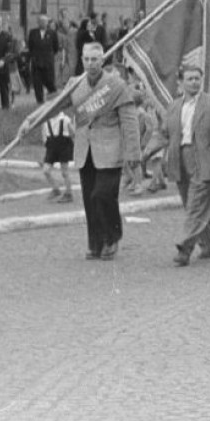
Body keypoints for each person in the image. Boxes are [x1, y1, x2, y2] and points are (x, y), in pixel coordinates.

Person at [147, 65, 210, 266]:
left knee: (195, 206)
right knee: (192, 205)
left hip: (204, 160)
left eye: (197, 78)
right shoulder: (174, 106)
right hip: (179, 160)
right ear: (180, 82)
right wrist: (144, 153)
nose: (194, 82)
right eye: (190, 79)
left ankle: (184, 248)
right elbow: (163, 134)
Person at [69, 42, 141, 260]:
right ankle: (95, 243)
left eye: (95, 59)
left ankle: (112, 237)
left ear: (103, 60)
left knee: (102, 195)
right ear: (81, 60)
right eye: (87, 59)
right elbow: (52, 107)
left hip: (110, 150)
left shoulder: (116, 86)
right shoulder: (75, 85)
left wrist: (133, 154)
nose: (90, 64)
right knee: (90, 200)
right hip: (85, 151)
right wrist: (30, 122)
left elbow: (129, 121)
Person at [41, 109, 75, 203]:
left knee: (64, 172)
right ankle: (56, 189)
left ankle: (68, 194)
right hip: (51, 147)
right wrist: (45, 141)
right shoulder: (46, 120)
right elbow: (44, 132)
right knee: (46, 170)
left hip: (63, 146)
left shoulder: (65, 119)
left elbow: (72, 133)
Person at [27, 13, 59, 104]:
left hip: (48, 62)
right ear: (38, 22)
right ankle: (40, 101)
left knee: (50, 82)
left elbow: (55, 48)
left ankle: (54, 100)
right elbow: (30, 46)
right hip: (36, 62)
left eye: (45, 21)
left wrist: (48, 56)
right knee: (37, 83)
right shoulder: (33, 32)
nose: (43, 23)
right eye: (41, 21)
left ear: (47, 23)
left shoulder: (52, 33)